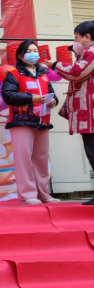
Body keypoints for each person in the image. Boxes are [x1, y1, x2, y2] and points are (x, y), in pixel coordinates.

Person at [1, 40, 60, 205]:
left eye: (35, 50)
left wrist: (53, 101)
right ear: (21, 56)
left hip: (43, 121)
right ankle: (27, 195)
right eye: (29, 51)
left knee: (41, 158)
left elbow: (52, 94)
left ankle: (43, 194)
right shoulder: (14, 74)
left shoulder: (43, 74)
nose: (33, 53)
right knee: (23, 159)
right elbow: (8, 95)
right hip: (22, 121)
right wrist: (31, 98)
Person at [46, 20, 94, 205]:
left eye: (76, 37)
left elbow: (76, 73)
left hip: (90, 112)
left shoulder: (91, 52)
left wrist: (54, 65)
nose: (75, 41)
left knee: (92, 151)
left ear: (87, 37)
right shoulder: (86, 53)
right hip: (88, 112)